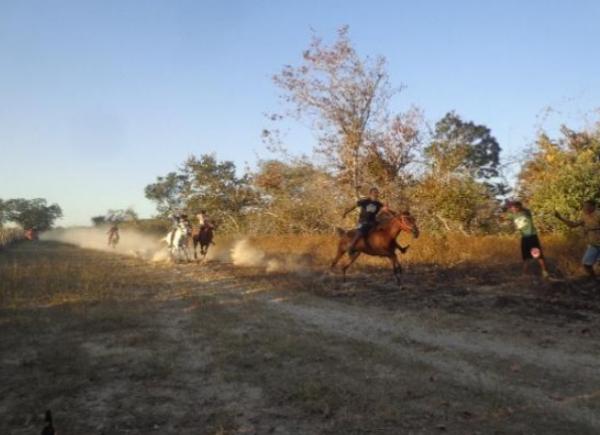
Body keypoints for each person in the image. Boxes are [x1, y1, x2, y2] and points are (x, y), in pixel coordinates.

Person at [555, 199, 600, 279]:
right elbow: (573, 225)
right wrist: (560, 218)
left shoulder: (598, 214)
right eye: (584, 206)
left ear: (593, 206)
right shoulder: (584, 216)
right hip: (593, 244)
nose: (585, 208)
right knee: (586, 264)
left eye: (587, 206)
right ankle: (594, 280)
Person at [504, 201, 550, 279]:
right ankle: (524, 274)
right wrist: (507, 206)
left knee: (538, 255)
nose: (513, 209)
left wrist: (516, 205)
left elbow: (523, 209)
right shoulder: (513, 215)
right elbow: (504, 216)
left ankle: (545, 272)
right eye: (512, 207)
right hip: (524, 238)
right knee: (525, 257)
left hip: (532, 237)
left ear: (519, 207)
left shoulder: (526, 213)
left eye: (515, 207)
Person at [343, 187, 389, 255]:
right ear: (370, 194)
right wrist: (346, 212)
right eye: (374, 193)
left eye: (377, 193)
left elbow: (385, 210)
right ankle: (351, 247)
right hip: (363, 221)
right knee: (361, 231)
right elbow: (354, 206)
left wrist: (395, 214)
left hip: (372, 221)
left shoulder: (378, 203)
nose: (376, 194)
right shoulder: (365, 201)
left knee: (385, 228)